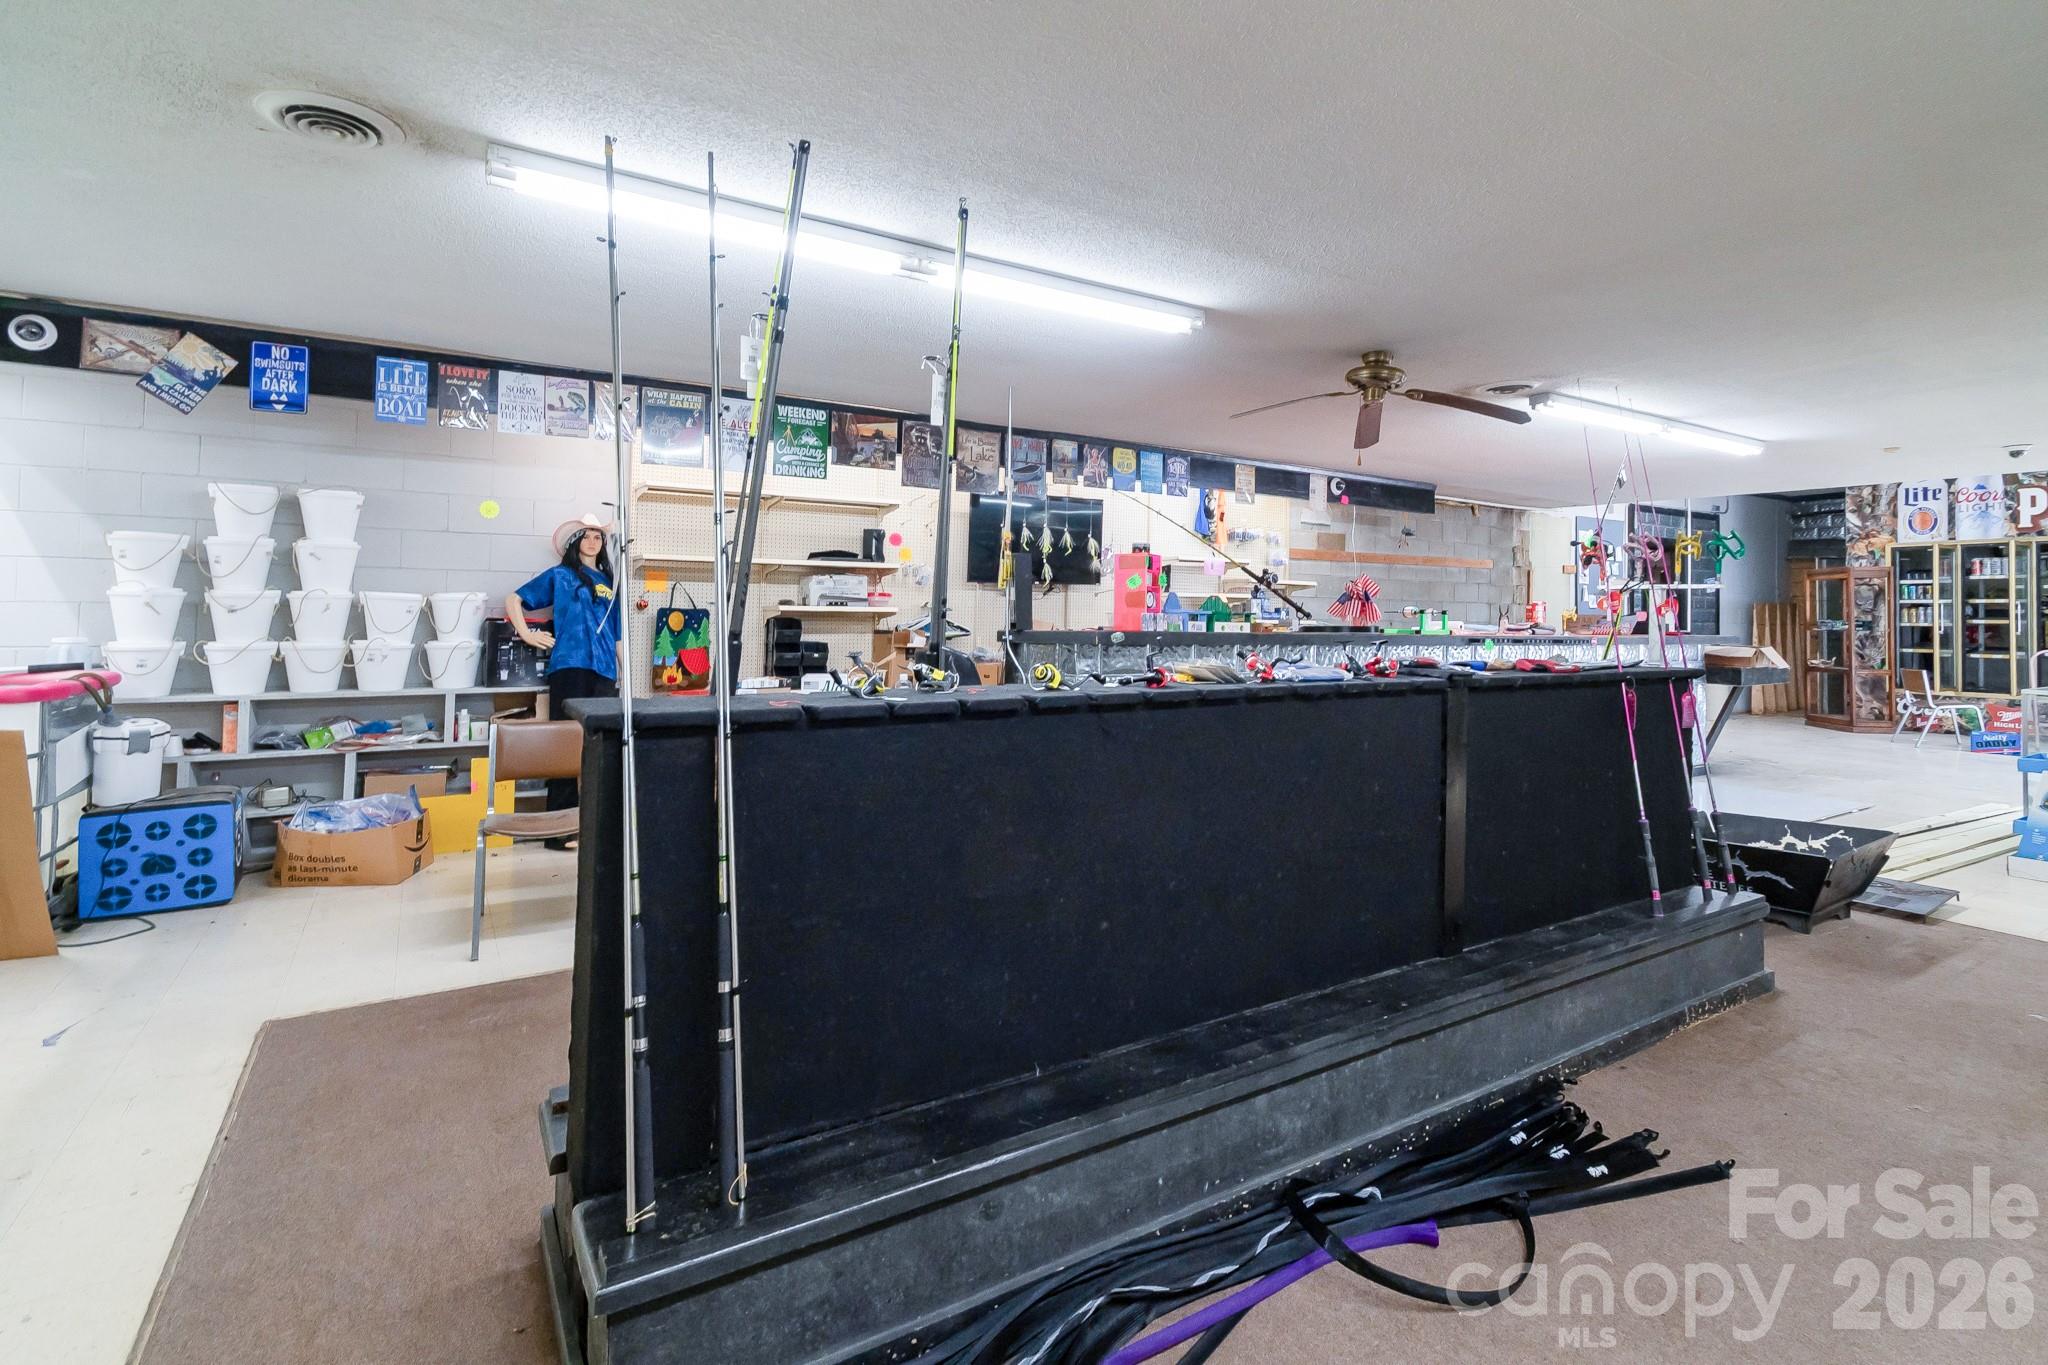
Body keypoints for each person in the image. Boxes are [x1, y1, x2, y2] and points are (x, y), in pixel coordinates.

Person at [506, 514, 621, 845]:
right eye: (586, 536)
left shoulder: (610, 583)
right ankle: (559, 832)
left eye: (598, 537)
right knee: (566, 743)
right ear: (575, 542)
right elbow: (515, 598)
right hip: (569, 666)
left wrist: (623, 672)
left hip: (603, 672)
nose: (592, 541)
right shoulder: (560, 575)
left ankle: (599, 826)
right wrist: (527, 634)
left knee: (602, 746)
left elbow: (616, 635)